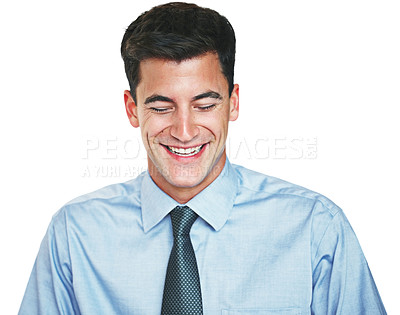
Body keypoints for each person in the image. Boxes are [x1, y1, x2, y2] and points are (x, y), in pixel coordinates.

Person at [19, 2, 386, 314]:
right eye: (161, 107)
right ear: (132, 110)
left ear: (233, 103)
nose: (184, 130)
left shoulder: (315, 229)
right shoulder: (74, 234)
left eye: (205, 104)